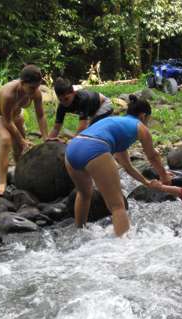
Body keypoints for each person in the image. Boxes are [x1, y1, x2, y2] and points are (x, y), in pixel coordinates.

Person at [65, 95, 171, 237]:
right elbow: (153, 156)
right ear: (143, 116)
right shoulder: (140, 127)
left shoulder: (118, 126)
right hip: (95, 147)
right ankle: (125, 250)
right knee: (117, 206)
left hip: (72, 148)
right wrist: (164, 176)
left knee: (84, 194)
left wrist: (146, 182)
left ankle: (79, 234)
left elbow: (127, 167)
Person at [0, 64, 48, 196]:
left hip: (16, 116)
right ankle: (2, 182)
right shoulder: (8, 94)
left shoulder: (36, 92)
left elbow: (41, 115)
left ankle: (18, 175)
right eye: (32, 87)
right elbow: (7, 121)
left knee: (19, 148)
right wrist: (21, 139)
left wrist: (46, 138)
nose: (35, 90)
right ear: (22, 83)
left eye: (37, 86)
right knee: (6, 139)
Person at [48, 78, 113, 138]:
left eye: (66, 99)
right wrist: (47, 142)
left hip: (104, 104)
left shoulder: (82, 99)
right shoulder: (61, 106)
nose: (64, 102)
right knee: (89, 130)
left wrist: (73, 142)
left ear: (73, 93)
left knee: (93, 130)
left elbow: (82, 127)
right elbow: (56, 128)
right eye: (60, 100)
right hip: (93, 111)